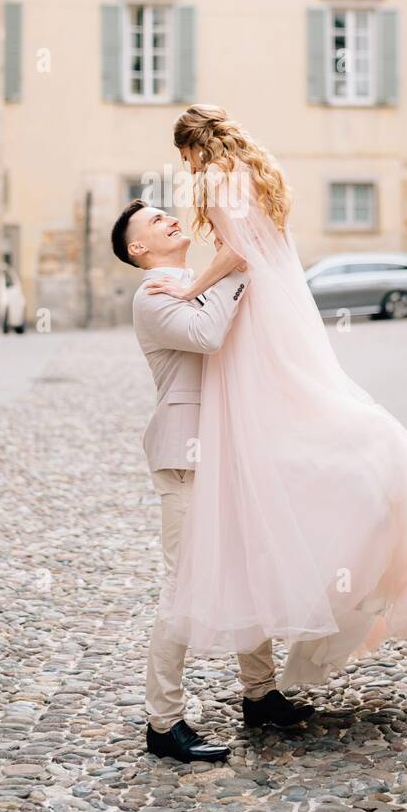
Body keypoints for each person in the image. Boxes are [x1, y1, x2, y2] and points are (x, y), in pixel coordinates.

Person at [142, 104, 407, 691]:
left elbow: (237, 253)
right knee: (300, 409)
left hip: (256, 309)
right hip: (283, 309)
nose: (185, 167)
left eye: (184, 156)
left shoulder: (214, 178)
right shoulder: (257, 170)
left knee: (265, 418)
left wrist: (193, 290)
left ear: (194, 147)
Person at [111, 199, 316, 763]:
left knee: (248, 569)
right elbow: (205, 334)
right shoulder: (153, 293)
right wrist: (240, 266)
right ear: (139, 249)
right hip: (185, 454)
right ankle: (163, 722)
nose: (170, 219)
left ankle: (260, 693)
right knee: (183, 585)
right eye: (155, 221)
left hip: (228, 450)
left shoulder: (196, 279)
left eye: (167, 213)